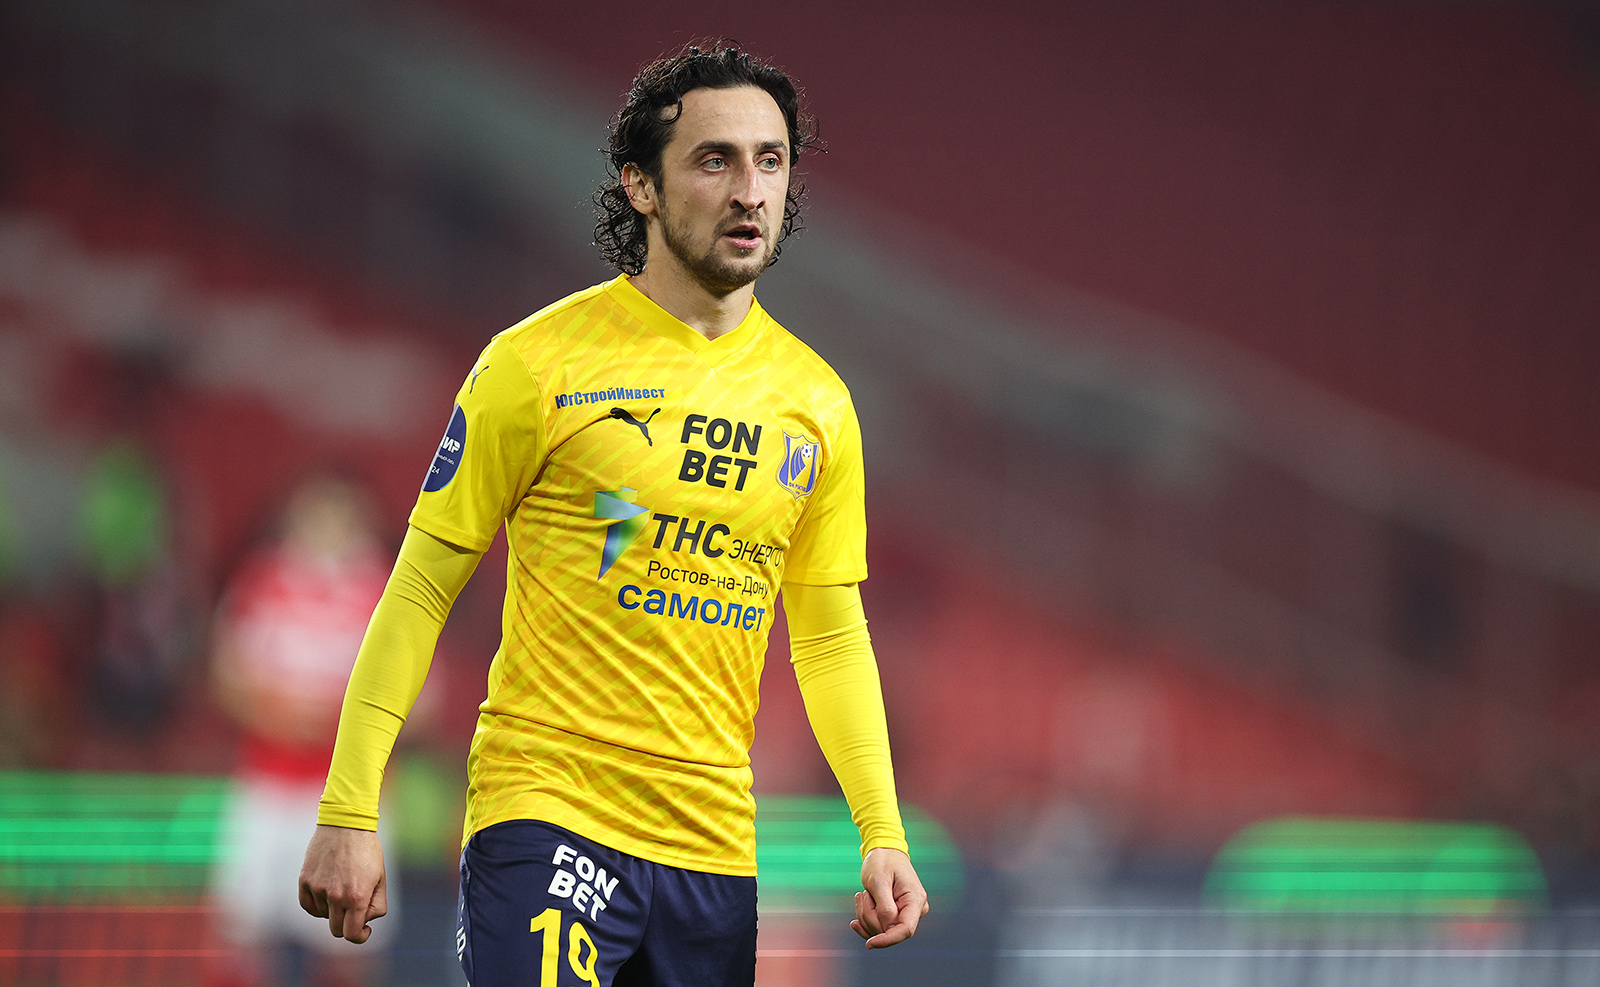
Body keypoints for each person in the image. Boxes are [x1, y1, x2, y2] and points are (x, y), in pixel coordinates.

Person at [298, 43, 927, 986]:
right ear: (640, 185)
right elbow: (421, 588)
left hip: (713, 853)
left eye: (770, 161)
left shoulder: (819, 404)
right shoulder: (535, 364)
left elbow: (830, 638)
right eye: (714, 160)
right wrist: (350, 806)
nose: (750, 190)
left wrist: (882, 829)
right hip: (548, 810)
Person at [211, 473, 396, 987]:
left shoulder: (383, 588)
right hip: (267, 783)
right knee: (243, 935)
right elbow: (225, 673)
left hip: (350, 797)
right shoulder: (262, 578)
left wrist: (342, 726)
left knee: (351, 942)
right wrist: (278, 716)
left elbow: (421, 698)